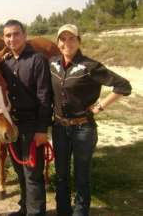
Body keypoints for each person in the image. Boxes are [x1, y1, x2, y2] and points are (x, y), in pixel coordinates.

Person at [50, 24, 132, 216]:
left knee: (81, 176)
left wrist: (99, 107)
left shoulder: (90, 66)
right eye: (63, 39)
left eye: (72, 38)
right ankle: (63, 211)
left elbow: (123, 86)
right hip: (60, 128)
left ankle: (80, 212)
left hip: (83, 129)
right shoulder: (52, 63)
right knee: (61, 175)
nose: (67, 43)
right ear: (58, 42)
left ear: (79, 41)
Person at [0, 20, 53, 216]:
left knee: (32, 174)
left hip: (32, 125)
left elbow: (44, 97)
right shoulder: (4, 63)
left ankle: (36, 212)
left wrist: (41, 129)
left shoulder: (37, 60)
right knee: (19, 171)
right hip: (13, 126)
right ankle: (24, 208)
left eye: (16, 34)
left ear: (24, 35)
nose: (12, 39)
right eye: (7, 35)